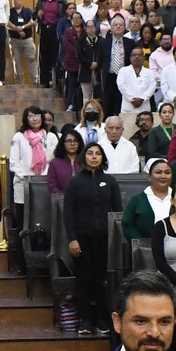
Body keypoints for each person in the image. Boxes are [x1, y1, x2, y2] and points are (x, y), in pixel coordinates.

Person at [65, 144, 126, 337]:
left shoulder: (110, 181)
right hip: (81, 239)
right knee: (84, 280)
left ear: (103, 158)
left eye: (98, 154)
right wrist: (72, 239)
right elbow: (68, 213)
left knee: (102, 280)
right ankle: (85, 320)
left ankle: (101, 319)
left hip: (105, 240)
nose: (94, 157)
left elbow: (118, 213)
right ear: (84, 157)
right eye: (90, 153)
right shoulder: (75, 182)